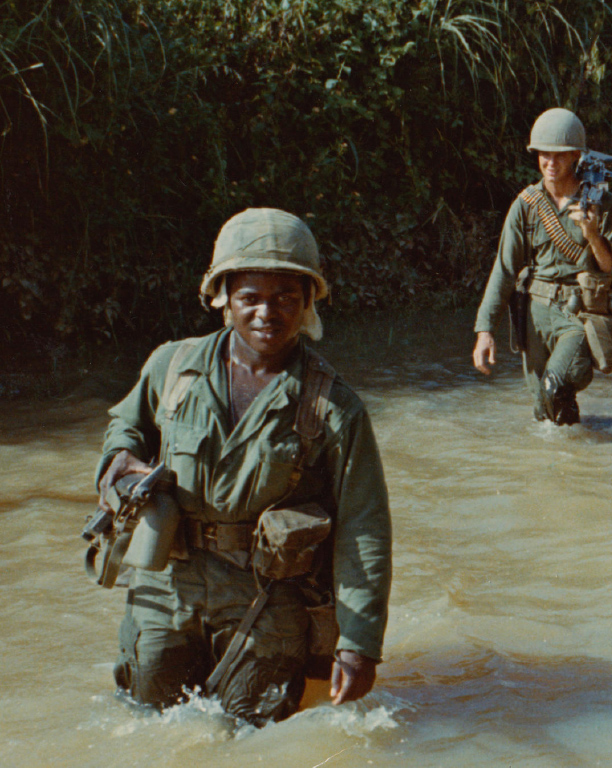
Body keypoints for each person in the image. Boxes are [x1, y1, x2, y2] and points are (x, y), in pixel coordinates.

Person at [97, 208, 392, 724]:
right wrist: (120, 464)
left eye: (285, 298)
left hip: (267, 599)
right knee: (146, 724)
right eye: (250, 297)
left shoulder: (333, 407)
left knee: (254, 736)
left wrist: (359, 643)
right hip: (167, 582)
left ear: (306, 304)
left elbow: (364, 528)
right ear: (223, 299)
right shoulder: (172, 367)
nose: (266, 313)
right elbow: (125, 426)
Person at [472, 108, 612, 423]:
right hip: (533, 316)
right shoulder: (527, 205)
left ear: (575, 155)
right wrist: (485, 330)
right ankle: (571, 459)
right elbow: (504, 270)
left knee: (555, 384)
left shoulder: (604, 205)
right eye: (544, 154)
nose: (550, 162)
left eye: (559, 155)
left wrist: (592, 235)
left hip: (578, 316)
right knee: (543, 412)